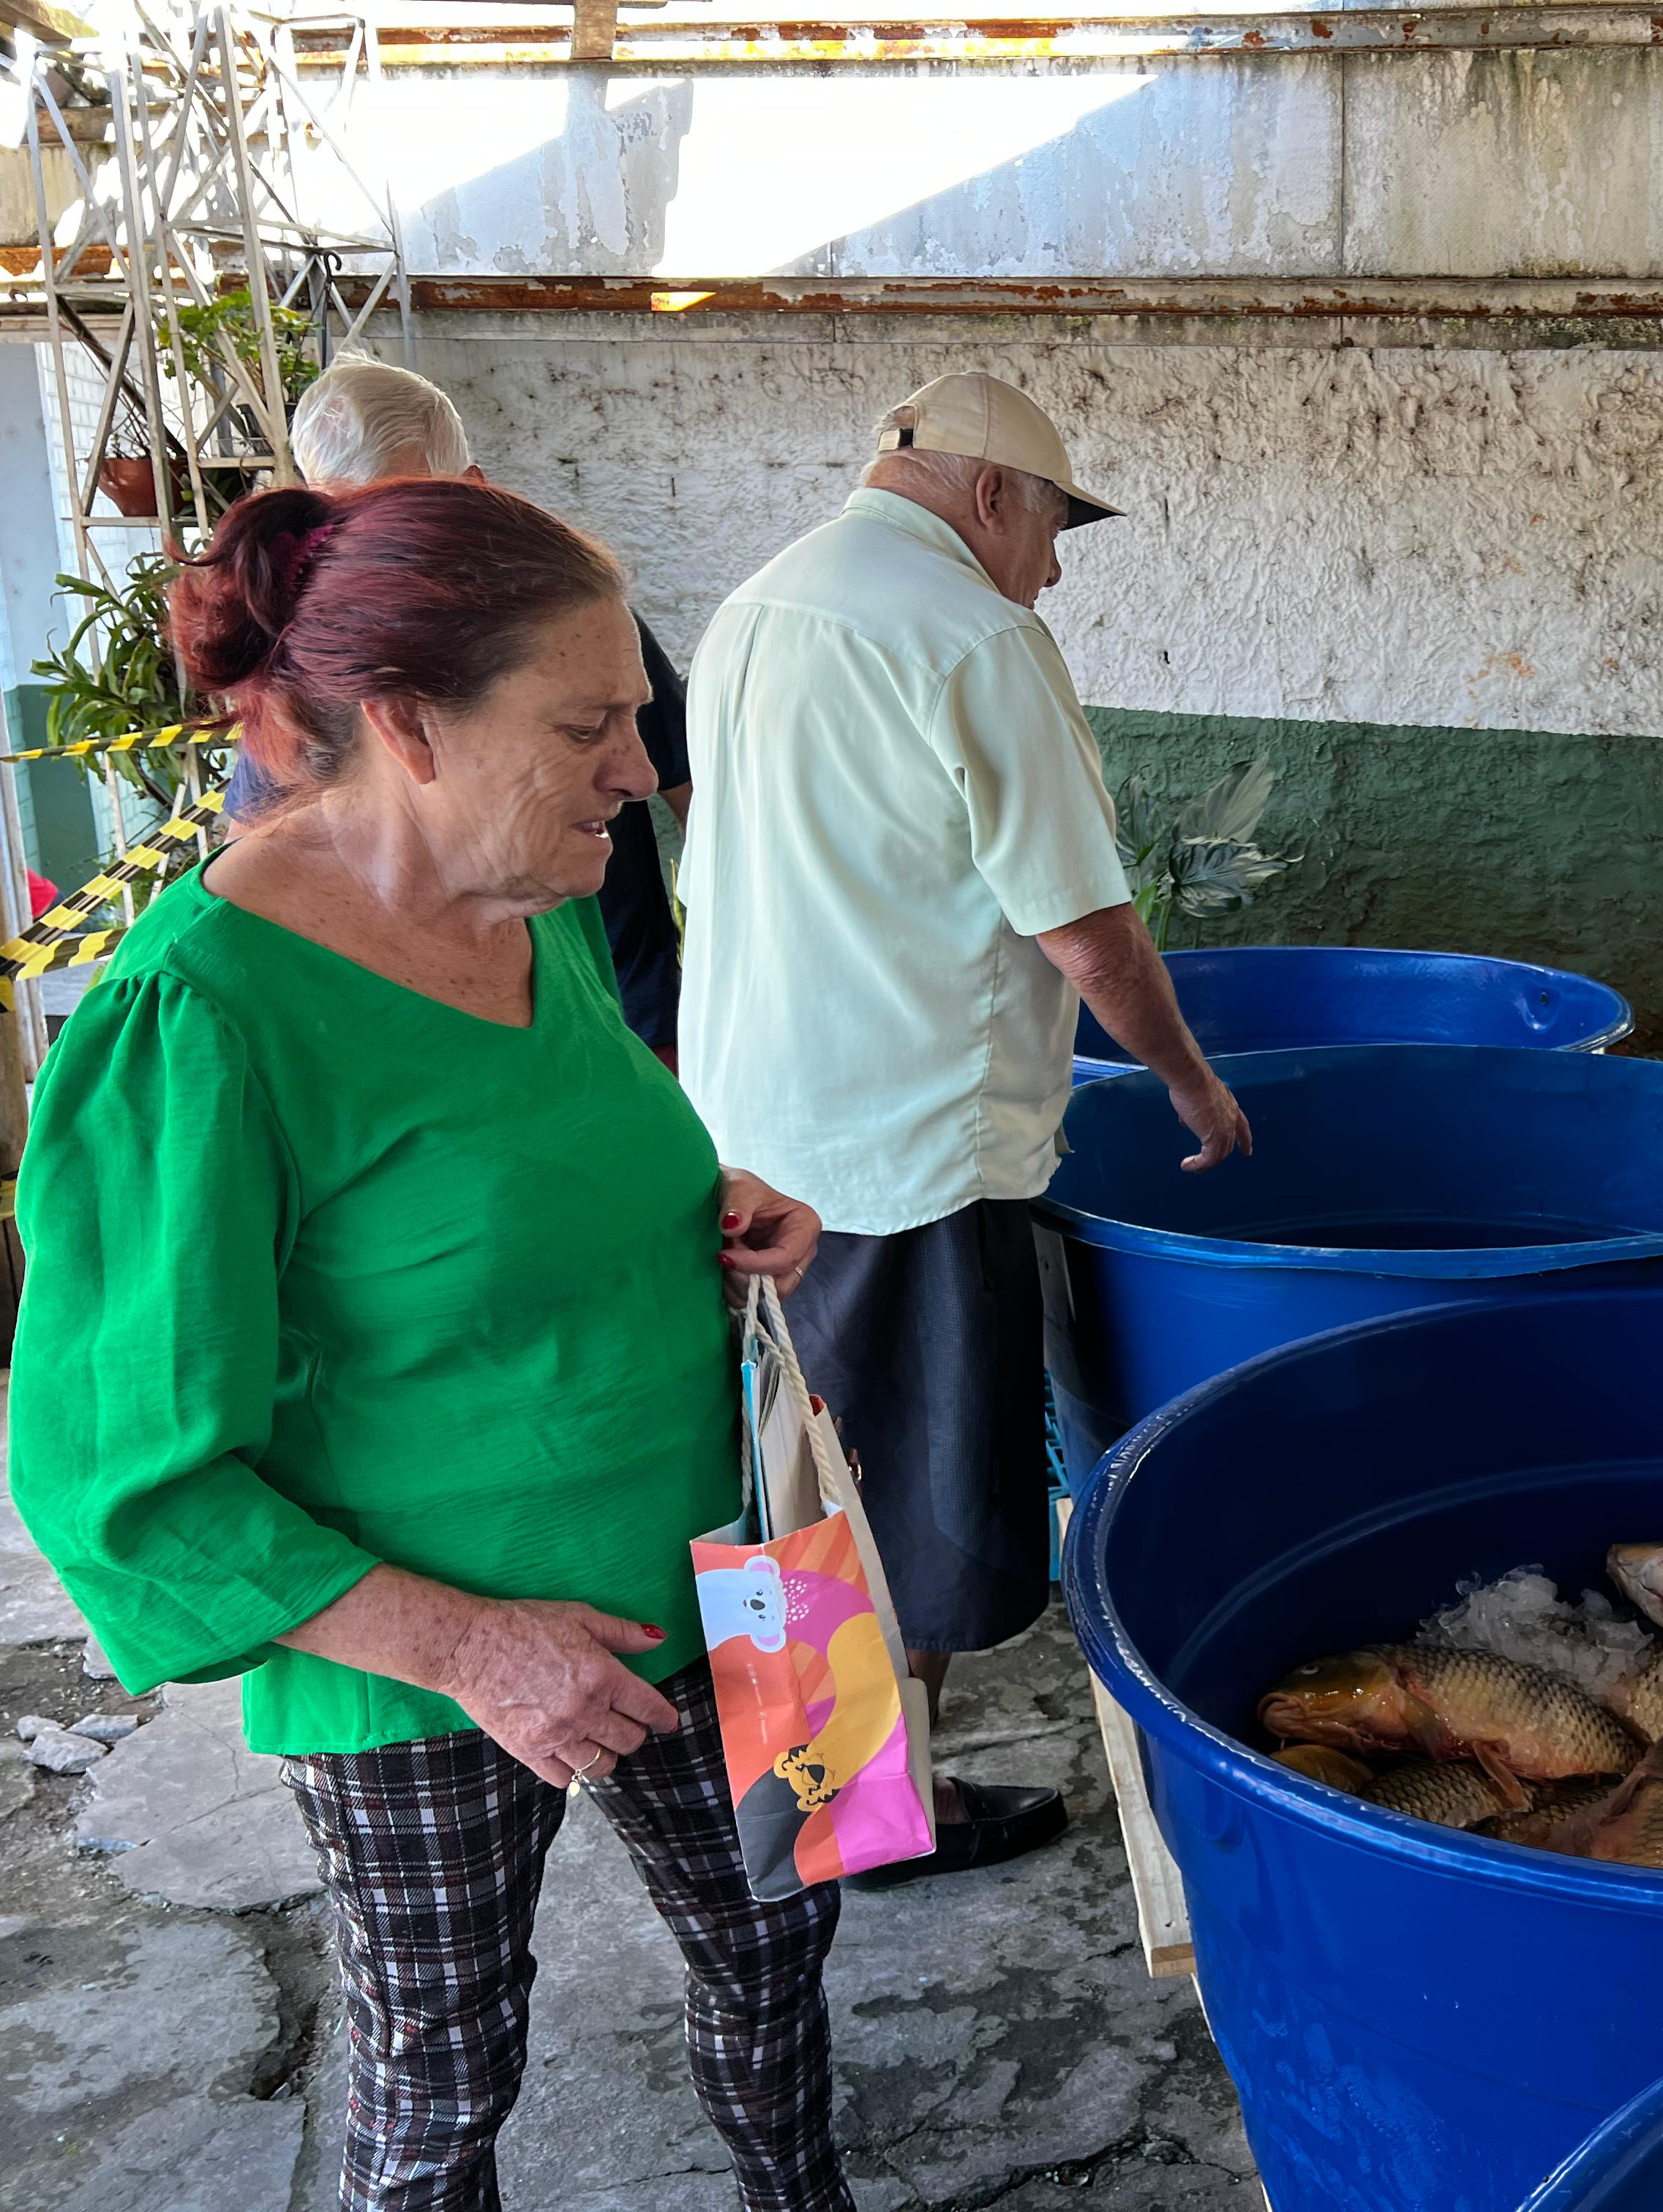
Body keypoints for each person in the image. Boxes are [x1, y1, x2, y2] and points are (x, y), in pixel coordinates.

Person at [10, 478, 852, 2209]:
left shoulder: (538, 890)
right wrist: (472, 1648)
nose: (639, 768)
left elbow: (528, 1165)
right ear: (408, 724)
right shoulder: (202, 1014)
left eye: (636, 715)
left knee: (790, 1933)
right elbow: (125, 1485)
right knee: (445, 2067)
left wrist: (711, 1202)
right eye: (588, 724)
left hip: (745, 1562)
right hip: (426, 1649)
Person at [680, 372, 1248, 1886]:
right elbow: (1085, 928)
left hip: (754, 1133)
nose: (1050, 570)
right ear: (992, 494)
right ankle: (838, 1824)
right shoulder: (973, 635)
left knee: (801, 1487)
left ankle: (840, 1796)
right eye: (1053, 529)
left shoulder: (758, 606)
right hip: (902, 1147)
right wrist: (1191, 1083)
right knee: (905, 1516)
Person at [269, 358, 701, 1063]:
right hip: (413, 1031)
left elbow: (686, 790)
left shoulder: (571, 621)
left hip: (613, 992)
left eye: (411, 511)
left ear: (472, 489)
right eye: (350, 521)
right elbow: (271, 859)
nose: (385, 551)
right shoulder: (308, 665)